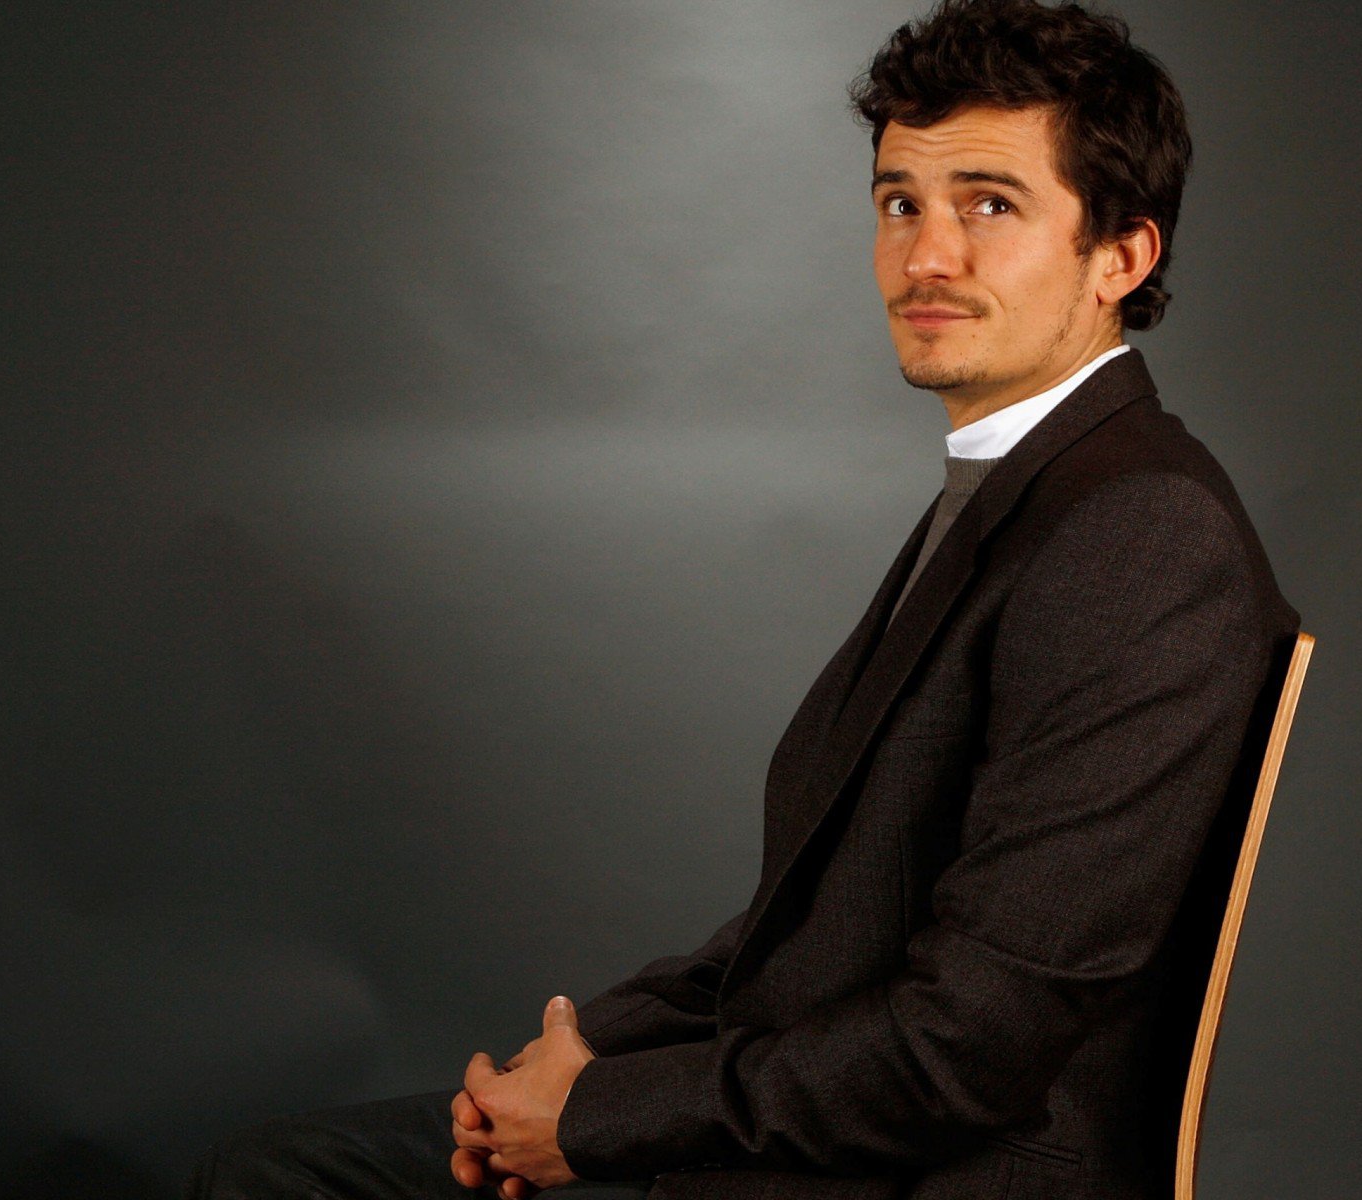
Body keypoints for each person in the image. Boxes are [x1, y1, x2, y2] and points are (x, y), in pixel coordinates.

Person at [187, 1, 1299, 1197]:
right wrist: (574, 1058)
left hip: (915, 1173)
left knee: (279, 1183)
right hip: (816, 1128)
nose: (927, 256)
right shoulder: (1024, 493)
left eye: (990, 204)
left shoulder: (1140, 533)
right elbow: (816, 934)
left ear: (1121, 257)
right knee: (291, 1167)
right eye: (900, 203)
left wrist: (597, 1117)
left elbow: (969, 1044)